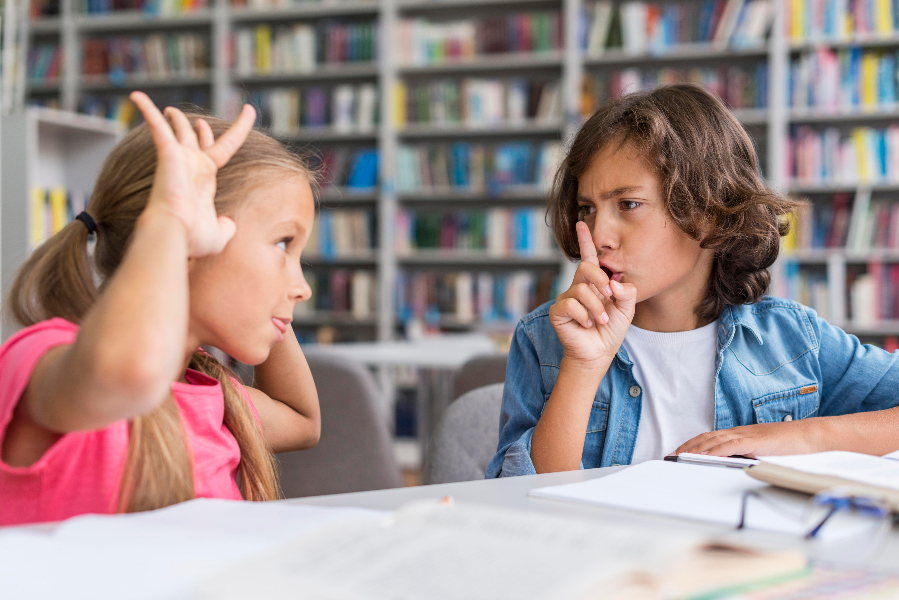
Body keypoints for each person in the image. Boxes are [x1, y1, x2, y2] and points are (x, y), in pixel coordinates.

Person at [487, 84, 899, 477]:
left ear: (708, 212)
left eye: (628, 204)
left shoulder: (792, 338)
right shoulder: (543, 338)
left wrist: (805, 435)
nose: (598, 237)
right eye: (587, 209)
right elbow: (524, 503)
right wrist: (582, 367)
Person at [0, 92, 321, 525]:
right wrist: (170, 220)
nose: (303, 288)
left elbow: (304, 422)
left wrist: (273, 302)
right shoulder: (47, 357)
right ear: (194, 236)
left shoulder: (210, 393)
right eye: (284, 243)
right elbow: (127, 375)